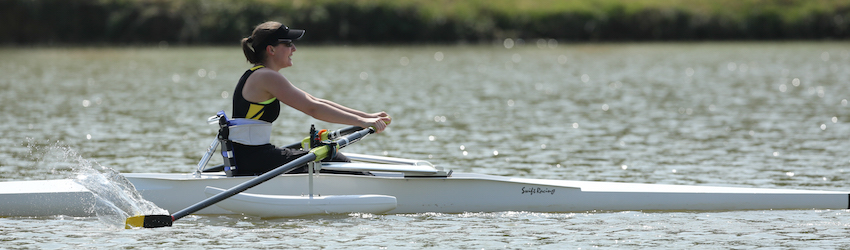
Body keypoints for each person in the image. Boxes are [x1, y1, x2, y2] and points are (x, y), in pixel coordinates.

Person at [230, 21, 390, 176]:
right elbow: (313, 109)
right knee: (329, 156)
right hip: (254, 159)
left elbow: (314, 101)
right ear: (271, 49)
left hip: (251, 157)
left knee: (327, 154)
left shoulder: (260, 74)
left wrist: (367, 117)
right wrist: (361, 122)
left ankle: (368, 180)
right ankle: (377, 185)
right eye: (288, 44)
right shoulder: (266, 76)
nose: (294, 48)